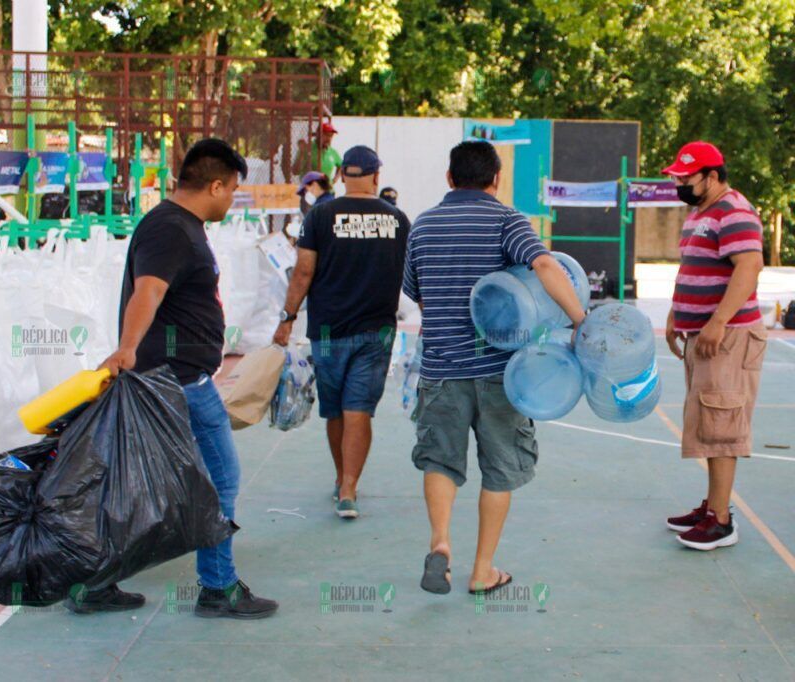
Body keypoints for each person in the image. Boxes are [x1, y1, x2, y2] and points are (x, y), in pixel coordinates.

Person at [79, 139, 278, 619]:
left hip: (172, 377)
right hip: (180, 381)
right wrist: (126, 350)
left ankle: (94, 581)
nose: (231, 200)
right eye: (231, 190)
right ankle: (217, 587)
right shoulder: (172, 230)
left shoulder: (176, 225)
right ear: (214, 185)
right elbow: (148, 292)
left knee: (146, 486)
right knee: (220, 480)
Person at [402, 140, 585, 595]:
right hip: (499, 373)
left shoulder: (423, 225)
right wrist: (581, 319)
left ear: (449, 178)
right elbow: (543, 262)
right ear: (495, 179)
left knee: (439, 460)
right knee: (501, 468)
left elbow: (416, 292)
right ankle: (482, 570)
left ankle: (441, 544)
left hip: (441, 368)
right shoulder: (506, 220)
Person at [273, 145, 410, 520]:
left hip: (328, 330)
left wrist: (287, 318)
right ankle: (349, 488)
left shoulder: (320, 215)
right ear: (376, 177)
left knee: (335, 411)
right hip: (376, 329)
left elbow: (303, 272)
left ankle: (341, 478)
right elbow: (412, 274)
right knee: (358, 410)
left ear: (343, 177)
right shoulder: (397, 219)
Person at [663, 141, 767, 551]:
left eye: (686, 177)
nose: (680, 183)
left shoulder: (734, 210)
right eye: (677, 177)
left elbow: (750, 267)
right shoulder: (699, 214)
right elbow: (690, 267)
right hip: (702, 338)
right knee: (710, 423)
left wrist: (717, 322)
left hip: (729, 337)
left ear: (712, 175)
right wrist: (676, 314)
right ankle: (712, 506)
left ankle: (721, 521)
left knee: (722, 426)